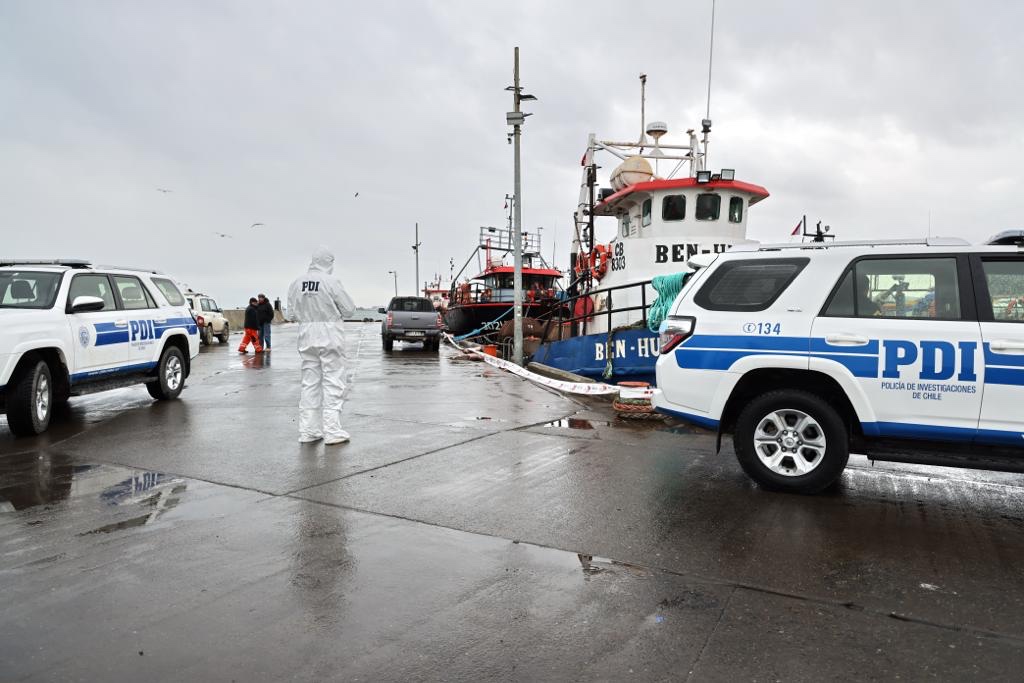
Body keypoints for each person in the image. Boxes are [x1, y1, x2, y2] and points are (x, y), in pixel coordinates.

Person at [287, 247, 356, 445]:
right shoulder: (331, 282)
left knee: (309, 382)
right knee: (333, 380)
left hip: (306, 334)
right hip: (329, 333)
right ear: (328, 262)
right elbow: (349, 310)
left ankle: (308, 431)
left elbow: (290, 314)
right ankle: (332, 430)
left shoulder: (296, 283)